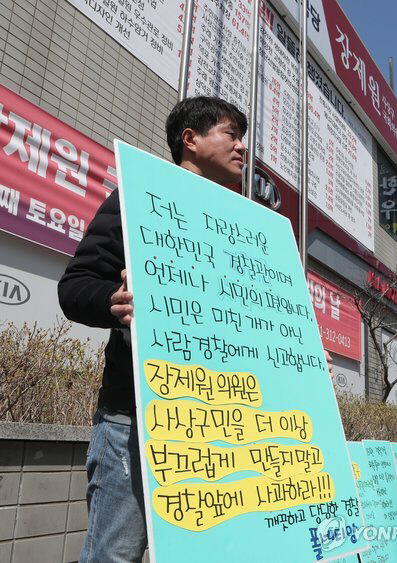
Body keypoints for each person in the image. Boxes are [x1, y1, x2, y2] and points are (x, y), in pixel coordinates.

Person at [58, 96, 247, 562]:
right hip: (134, 420)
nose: (242, 146)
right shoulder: (137, 198)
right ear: (190, 139)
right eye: (230, 133)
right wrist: (112, 302)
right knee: (115, 555)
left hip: (220, 428)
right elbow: (75, 286)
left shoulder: (241, 227)